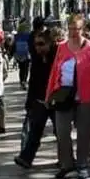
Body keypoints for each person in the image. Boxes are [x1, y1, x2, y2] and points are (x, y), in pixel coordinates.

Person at [46, 13, 90, 179]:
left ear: (83, 29)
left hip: (87, 96)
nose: (73, 32)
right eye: (70, 29)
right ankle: (67, 164)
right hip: (64, 96)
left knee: (84, 133)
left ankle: (82, 165)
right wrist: (50, 94)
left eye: (76, 29)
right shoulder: (62, 47)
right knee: (62, 131)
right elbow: (55, 71)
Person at [15, 29, 55, 169]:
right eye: (36, 44)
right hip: (40, 100)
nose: (38, 47)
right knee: (35, 130)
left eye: (41, 44)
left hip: (56, 100)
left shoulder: (57, 57)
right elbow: (33, 81)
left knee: (60, 132)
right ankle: (26, 157)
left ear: (49, 43)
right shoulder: (37, 59)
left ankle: (67, 159)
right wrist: (29, 102)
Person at [13, 21, 32, 90]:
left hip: (20, 55)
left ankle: (22, 81)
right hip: (25, 54)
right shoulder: (28, 35)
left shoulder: (17, 36)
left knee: (22, 69)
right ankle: (23, 81)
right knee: (25, 68)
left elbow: (14, 45)